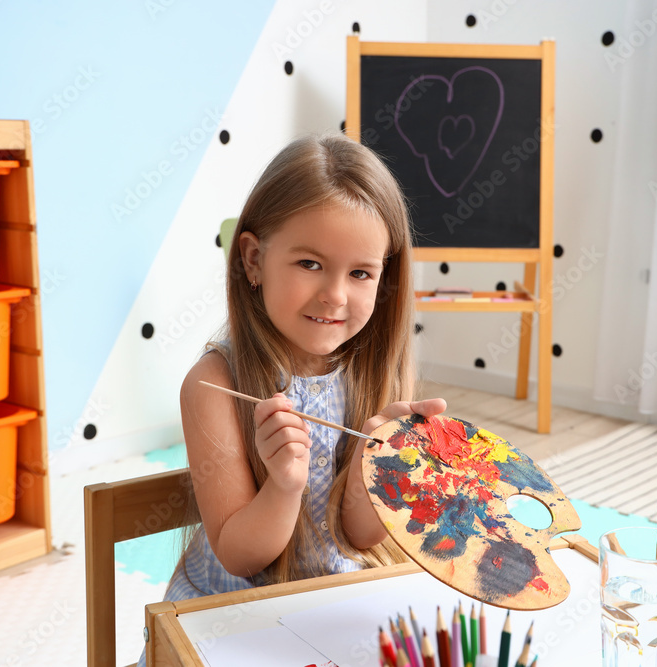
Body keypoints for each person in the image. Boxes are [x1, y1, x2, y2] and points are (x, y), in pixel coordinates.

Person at [136, 134, 446, 665]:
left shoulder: (379, 372)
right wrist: (284, 486)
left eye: (360, 273)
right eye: (309, 264)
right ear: (254, 259)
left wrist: (378, 470)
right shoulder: (212, 383)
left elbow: (359, 535)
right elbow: (239, 557)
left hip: (330, 612)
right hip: (227, 622)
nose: (335, 294)